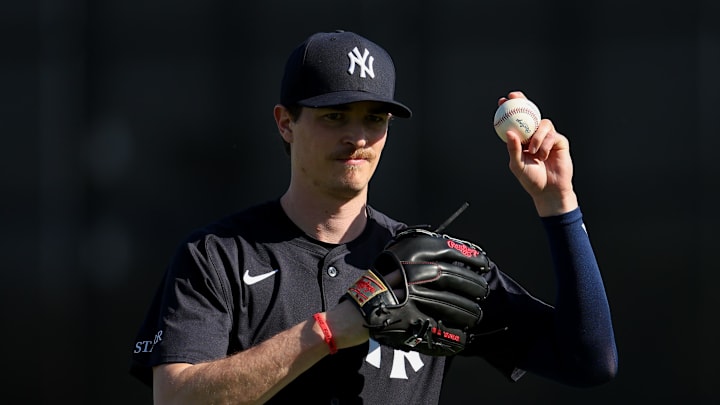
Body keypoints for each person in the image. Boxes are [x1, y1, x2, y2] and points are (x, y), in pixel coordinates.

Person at [129, 30, 618, 404]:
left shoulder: (427, 265)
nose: (358, 137)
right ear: (285, 122)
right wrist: (331, 329)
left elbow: (589, 360)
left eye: (374, 119)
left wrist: (559, 205)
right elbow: (176, 396)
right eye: (334, 117)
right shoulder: (217, 255)